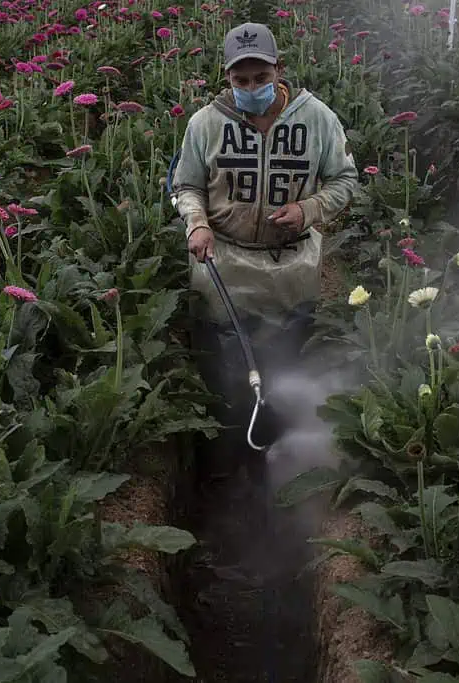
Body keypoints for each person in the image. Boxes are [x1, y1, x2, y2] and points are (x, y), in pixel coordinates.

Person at [171, 21, 359, 479]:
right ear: (227, 77)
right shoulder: (205, 123)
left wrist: (309, 208)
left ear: (278, 70)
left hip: (292, 267)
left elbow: (345, 181)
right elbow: (186, 184)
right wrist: (197, 224)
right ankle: (227, 465)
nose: (251, 88)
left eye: (260, 78)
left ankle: (278, 463)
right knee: (228, 374)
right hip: (225, 267)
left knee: (284, 364)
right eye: (241, 80)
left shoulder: (317, 119)